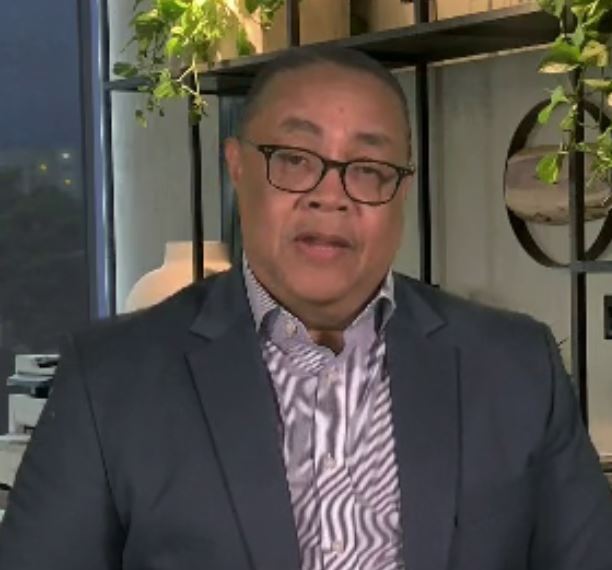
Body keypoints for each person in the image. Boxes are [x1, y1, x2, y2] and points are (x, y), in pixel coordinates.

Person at [0, 45, 610, 570]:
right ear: (237, 167)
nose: (330, 196)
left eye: (367, 169)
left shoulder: (514, 367)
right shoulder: (110, 379)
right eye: (294, 159)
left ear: (401, 190)